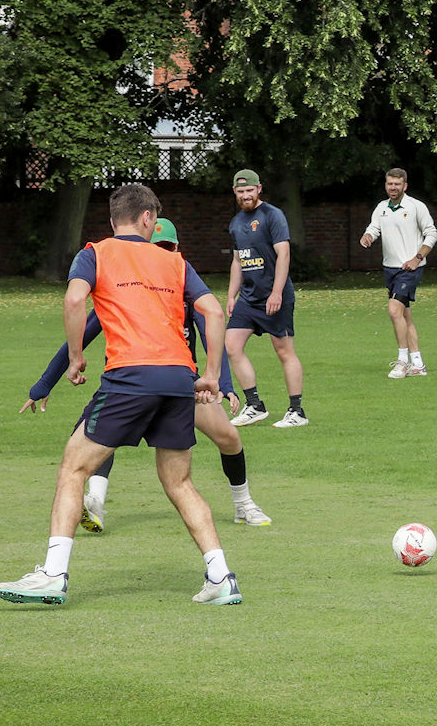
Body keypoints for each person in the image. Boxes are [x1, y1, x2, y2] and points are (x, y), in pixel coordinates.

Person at [0, 184, 243, 606]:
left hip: (130, 378)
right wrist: (213, 376)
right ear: (148, 218)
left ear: (113, 221)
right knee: (179, 481)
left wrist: (75, 358)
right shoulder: (175, 261)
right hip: (179, 378)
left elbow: (75, 300)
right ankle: (221, 577)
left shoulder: (96, 252)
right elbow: (214, 311)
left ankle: (53, 574)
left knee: (74, 469)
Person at [20, 218, 272, 529]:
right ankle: (95, 504)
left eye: (167, 247)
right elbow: (79, 336)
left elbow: (209, 330)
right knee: (101, 438)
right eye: (157, 247)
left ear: (176, 250)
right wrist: (43, 385)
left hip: (183, 384)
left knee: (229, 438)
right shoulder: (122, 293)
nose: (162, 252)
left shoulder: (181, 284)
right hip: (138, 378)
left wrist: (224, 385)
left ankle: (243, 504)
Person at [225, 169, 308, 428]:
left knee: (284, 351)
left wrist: (276, 293)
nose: (245, 195)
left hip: (276, 297)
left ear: (259, 189)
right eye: (241, 191)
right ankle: (255, 405)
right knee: (231, 345)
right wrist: (231, 295)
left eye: (250, 190)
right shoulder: (236, 223)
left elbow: (283, 255)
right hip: (248, 299)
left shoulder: (273, 216)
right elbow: (238, 261)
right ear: (235, 193)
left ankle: (297, 411)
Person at [360, 167, 437, 378]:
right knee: (405, 316)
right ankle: (418, 364)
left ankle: (402, 361)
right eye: (389, 184)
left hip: (410, 269)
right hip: (390, 268)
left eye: (397, 184)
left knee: (394, 311)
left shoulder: (415, 207)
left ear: (405, 186)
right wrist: (368, 236)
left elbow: (431, 233)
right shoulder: (381, 207)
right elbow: (374, 227)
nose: (393, 187)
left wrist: (417, 258)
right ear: (386, 185)